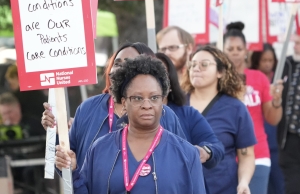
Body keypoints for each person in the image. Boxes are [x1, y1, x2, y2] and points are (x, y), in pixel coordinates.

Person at [56, 55, 206, 194]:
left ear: (162, 101)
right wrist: (73, 171)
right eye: (137, 98)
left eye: (154, 97)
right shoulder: (99, 149)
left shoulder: (187, 154)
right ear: (124, 103)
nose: (146, 105)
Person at [42, 42, 185, 171]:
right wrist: (56, 133)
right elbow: (68, 163)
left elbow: (182, 164)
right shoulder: (87, 109)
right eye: (117, 63)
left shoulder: (166, 115)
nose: (120, 69)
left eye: (129, 63)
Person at [181, 45, 256, 194]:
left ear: (220, 72)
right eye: (193, 64)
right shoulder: (175, 105)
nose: (196, 68)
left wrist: (243, 182)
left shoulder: (235, 108)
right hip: (181, 187)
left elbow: (246, 155)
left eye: (204, 64)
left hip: (222, 188)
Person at [223, 22, 283, 194]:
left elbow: (272, 118)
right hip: (226, 157)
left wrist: (277, 101)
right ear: (222, 50)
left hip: (258, 154)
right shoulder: (216, 80)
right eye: (230, 48)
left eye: (239, 48)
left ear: (246, 50)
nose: (235, 52)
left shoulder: (259, 78)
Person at [155, 52, 224, 170]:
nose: (152, 81)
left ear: (170, 83)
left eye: (161, 74)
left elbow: (216, 147)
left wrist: (205, 151)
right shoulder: (124, 118)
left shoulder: (187, 114)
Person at [251, 43, 285, 194]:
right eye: (264, 60)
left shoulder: (279, 78)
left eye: (270, 60)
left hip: (273, 141)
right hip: (257, 139)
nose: (267, 64)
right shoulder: (251, 79)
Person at [279, 33, 300, 194]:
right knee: (292, 185)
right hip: (290, 138)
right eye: (296, 42)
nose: (296, 46)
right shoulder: (286, 64)